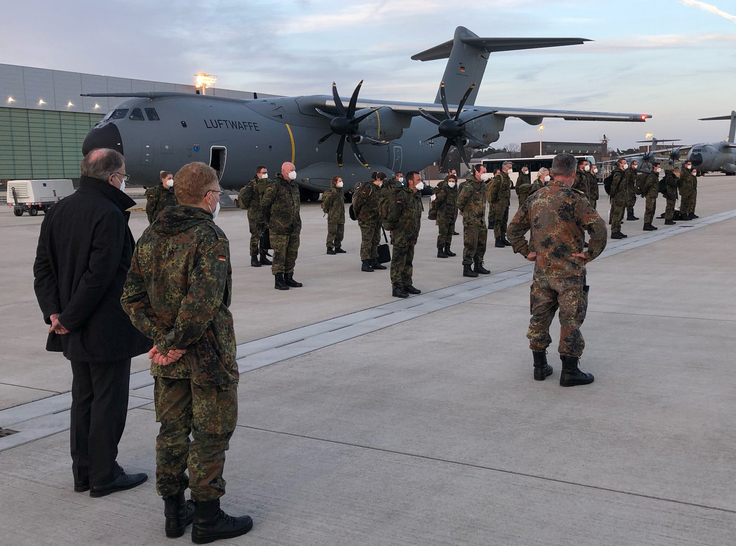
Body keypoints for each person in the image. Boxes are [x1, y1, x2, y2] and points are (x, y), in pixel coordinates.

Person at [121, 162, 252, 542]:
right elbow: (202, 304)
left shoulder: (151, 235)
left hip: (169, 361)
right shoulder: (208, 237)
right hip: (207, 356)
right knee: (210, 434)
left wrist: (162, 342)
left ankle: (175, 512)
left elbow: (131, 298)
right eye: (218, 194)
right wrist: (174, 344)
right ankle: (208, 518)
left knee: (172, 432)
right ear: (209, 197)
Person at [33, 148, 151, 497]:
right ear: (113, 177)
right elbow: (99, 277)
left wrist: (55, 313)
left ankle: (83, 472)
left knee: (83, 399)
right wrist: (67, 317)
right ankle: (104, 474)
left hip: (72, 325)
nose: (124, 180)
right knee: (108, 402)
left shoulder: (60, 209)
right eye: (123, 174)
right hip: (103, 327)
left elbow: (43, 267)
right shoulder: (109, 213)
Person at [507, 153, 607, 387]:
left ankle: (539, 367)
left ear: (552, 172)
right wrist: (588, 254)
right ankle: (570, 371)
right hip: (569, 273)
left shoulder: (535, 198)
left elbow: (513, 230)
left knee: (539, 317)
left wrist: (526, 251)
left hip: (542, 271)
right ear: (573, 174)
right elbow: (599, 230)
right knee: (570, 319)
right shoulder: (576, 199)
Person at [262, 162, 303, 289]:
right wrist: (271, 222)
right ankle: (279, 280)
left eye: (294, 169)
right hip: (279, 227)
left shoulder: (295, 186)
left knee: (292, 253)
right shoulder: (274, 185)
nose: (293, 172)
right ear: (284, 171)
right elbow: (265, 204)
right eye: (291, 170)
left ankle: (289, 277)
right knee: (280, 254)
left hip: (294, 226)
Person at [386, 171, 423, 298]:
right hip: (401, 234)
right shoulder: (401, 196)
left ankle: (407, 283)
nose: (420, 182)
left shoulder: (416, 196)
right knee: (398, 262)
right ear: (410, 181)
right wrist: (392, 229)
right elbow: (393, 215)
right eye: (418, 180)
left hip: (412, 234)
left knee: (408, 261)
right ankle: (396, 287)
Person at [457, 164, 491, 277]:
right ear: (476, 172)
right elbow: (460, 201)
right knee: (470, 244)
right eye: (483, 171)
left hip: (481, 219)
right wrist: (465, 210)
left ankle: (478, 265)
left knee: (482, 244)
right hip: (471, 220)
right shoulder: (469, 186)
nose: (485, 173)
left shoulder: (482, 185)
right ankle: (467, 268)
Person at [238, 165, 272, 267]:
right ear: (258, 174)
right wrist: (251, 207)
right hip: (254, 214)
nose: (265, 174)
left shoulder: (267, 183)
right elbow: (245, 198)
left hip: (264, 214)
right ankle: (253, 257)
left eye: (266, 172)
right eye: (263, 172)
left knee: (265, 234)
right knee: (255, 236)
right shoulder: (252, 184)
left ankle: (263, 256)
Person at [354, 171, 385, 272]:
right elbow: (358, 202)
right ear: (379, 179)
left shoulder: (380, 189)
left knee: (376, 240)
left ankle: (374, 260)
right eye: (383, 180)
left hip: (377, 219)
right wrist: (358, 215)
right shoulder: (368, 188)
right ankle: (365, 262)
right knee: (367, 241)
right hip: (367, 220)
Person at [489, 161, 513, 248]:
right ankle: (498, 239)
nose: (511, 169)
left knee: (504, 221)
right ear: (504, 168)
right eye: (509, 167)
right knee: (498, 221)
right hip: (499, 203)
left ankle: (503, 238)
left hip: (505, 203)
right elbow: (493, 191)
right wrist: (494, 202)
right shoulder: (499, 177)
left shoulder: (506, 177)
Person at [434, 174, 458, 258]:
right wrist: (437, 214)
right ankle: (440, 250)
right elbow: (437, 202)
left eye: (453, 181)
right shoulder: (444, 190)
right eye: (450, 181)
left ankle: (447, 249)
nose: (451, 183)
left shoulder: (455, 190)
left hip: (452, 215)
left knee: (450, 233)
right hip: (444, 215)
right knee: (443, 234)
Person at [322, 175, 346, 254]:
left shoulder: (341, 192)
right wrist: (329, 211)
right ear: (335, 182)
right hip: (333, 216)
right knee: (332, 232)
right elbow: (326, 204)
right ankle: (329, 247)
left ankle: (338, 246)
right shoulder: (332, 193)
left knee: (340, 232)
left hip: (341, 216)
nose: (341, 182)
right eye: (339, 181)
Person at [609, 158, 628, 239]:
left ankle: (618, 230)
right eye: (624, 163)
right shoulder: (618, 173)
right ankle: (614, 231)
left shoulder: (623, 173)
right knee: (616, 214)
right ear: (619, 164)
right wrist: (613, 195)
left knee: (620, 215)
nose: (625, 164)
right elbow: (614, 186)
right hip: (618, 197)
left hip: (622, 197)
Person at [641, 162, 661, 231]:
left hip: (654, 195)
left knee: (652, 210)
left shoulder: (655, 176)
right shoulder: (651, 176)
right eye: (658, 167)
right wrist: (645, 193)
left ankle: (649, 223)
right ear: (654, 167)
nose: (659, 168)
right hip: (650, 195)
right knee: (649, 210)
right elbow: (647, 185)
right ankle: (646, 224)